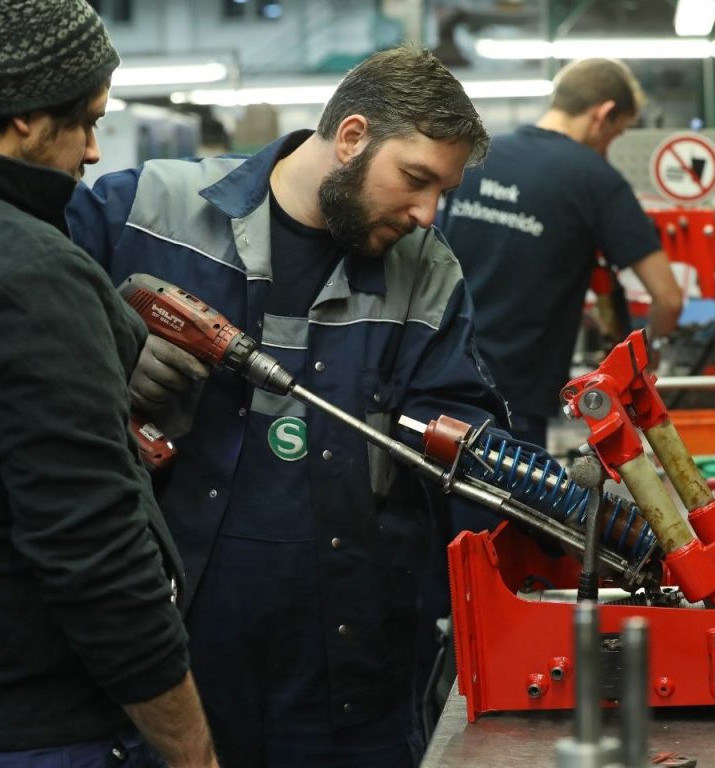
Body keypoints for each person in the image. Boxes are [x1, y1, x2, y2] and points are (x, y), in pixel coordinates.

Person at [67, 45, 507, 768]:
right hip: (169, 667)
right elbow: (9, 329)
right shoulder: (143, 211)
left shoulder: (426, 271)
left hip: (348, 685)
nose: (428, 213)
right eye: (416, 180)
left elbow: (460, 432)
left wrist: (554, 501)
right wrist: (110, 344)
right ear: (353, 136)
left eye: (443, 191)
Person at [0, 1, 219, 767]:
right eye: (86, 121)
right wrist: (193, 754)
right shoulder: (33, 274)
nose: (93, 151)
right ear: (26, 116)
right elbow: (96, 560)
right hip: (24, 728)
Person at [439, 57, 684, 446]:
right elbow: (668, 297)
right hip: (518, 396)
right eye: (615, 134)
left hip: (444, 376)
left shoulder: (477, 157)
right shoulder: (595, 179)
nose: (608, 148)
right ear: (602, 114)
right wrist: (648, 355)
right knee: (513, 485)